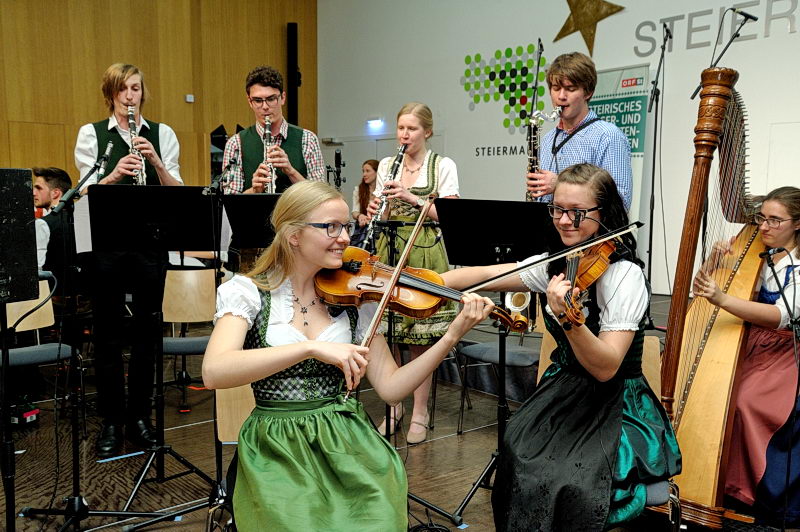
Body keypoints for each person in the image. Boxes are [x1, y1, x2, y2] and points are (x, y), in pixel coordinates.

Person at [202, 181, 493, 531]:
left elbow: (391, 388)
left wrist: (450, 337)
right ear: (294, 235)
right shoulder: (249, 292)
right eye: (331, 227)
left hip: (346, 441)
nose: (344, 238)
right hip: (276, 447)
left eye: (346, 226)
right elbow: (214, 372)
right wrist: (311, 347)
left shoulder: (355, 300)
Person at [442, 163, 680, 530]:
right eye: (557, 209)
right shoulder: (560, 262)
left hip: (613, 401)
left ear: (604, 213)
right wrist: (421, 282)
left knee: (567, 478)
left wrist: (570, 321)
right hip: (565, 386)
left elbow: (606, 367)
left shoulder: (623, 275)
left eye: (577, 212)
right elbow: (489, 273)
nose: (565, 221)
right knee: (518, 449)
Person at [74, 63, 183, 457]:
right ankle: (110, 419)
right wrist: (114, 175)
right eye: (123, 89)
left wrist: (156, 164)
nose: (130, 96)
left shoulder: (163, 134)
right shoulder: (92, 134)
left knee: (147, 335)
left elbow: (177, 191)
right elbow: (83, 192)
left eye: (135, 88)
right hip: (107, 245)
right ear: (111, 94)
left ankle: (140, 417)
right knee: (107, 335)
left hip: (149, 245)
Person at [693, 186, 800, 526]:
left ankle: (751, 492)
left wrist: (723, 299)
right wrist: (714, 262)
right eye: (761, 218)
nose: (764, 227)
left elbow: (782, 316)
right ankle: (714, 480)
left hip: (784, 350)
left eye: (775, 220)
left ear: (797, 224)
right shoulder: (751, 251)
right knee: (709, 392)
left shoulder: (797, 267)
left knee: (744, 401)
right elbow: (699, 289)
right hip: (748, 339)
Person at [367, 102, 459, 444]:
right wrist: (378, 208)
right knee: (389, 334)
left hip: (425, 251)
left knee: (421, 338)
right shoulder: (387, 165)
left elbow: (450, 215)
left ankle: (420, 410)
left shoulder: (442, 165)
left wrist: (412, 197)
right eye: (401, 128)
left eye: (412, 129)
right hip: (390, 250)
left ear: (427, 131)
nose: (404, 135)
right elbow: (382, 215)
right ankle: (394, 405)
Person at [526, 52, 633, 211]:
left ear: (588, 92)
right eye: (556, 88)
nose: (561, 96)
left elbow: (621, 201)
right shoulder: (548, 139)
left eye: (570, 89)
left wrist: (559, 185)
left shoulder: (608, 136)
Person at [221, 65, 325, 195]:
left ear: (283, 98)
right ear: (250, 101)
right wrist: (255, 190)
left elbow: (320, 196)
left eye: (271, 99)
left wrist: (291, 171)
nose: (265, 107)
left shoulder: (308, 139)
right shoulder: (235, 143)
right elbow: (230, 202)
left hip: (296, 210)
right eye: (258, 100)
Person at [349, 159, 378, 247]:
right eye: (363, 171)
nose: (364, 174)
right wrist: (360, 216)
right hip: (364, 229)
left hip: (380, 229)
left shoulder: (385, 190)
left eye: (368, 171)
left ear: (377, 172)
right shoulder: (358, 190)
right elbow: (354, 212)